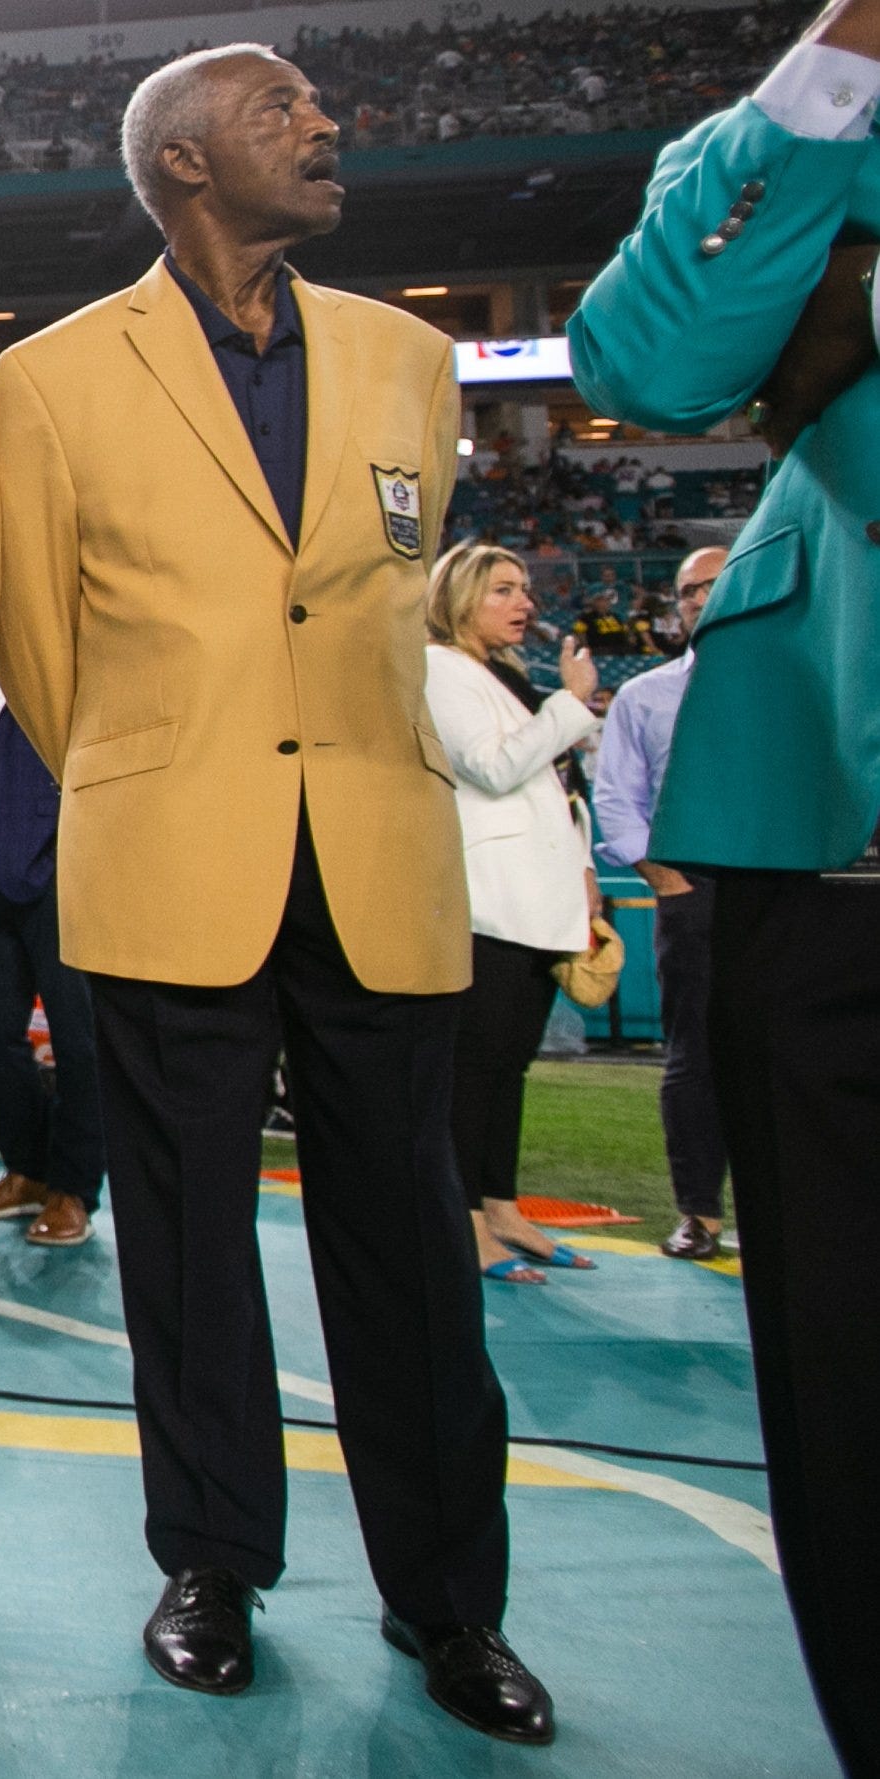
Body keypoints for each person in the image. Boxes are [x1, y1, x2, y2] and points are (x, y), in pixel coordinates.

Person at [0, 45, 549, 1742]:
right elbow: (37, 639)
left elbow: (372, 603)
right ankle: (211, 1559)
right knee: (185, 1246)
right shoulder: (57, 378)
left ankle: (451, 1597)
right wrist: (168, 771)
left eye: (316, 106)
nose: (327, 126)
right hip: (170, 853)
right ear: (179, 164)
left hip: (376, 859)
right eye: (278, 110)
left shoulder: (408, 357)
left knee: (412, 1253)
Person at [569, 4, 880, 1765]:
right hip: (829, 856)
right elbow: (644, 356)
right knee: (845, 1407)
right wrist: (840, 63)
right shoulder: (819, 117)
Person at [421, 544, 604, 1285]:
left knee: (510, 1067)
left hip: (539, 898)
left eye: (524, 589)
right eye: (503, 589)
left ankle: (500, 1207)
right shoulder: (438, 667)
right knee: (475, 1069)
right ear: (459, 597)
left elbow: (553, 783)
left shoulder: (508, 675)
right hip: (489, 900)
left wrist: (586, 869)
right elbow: (492, 766)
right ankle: (464, 1221)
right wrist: (571, 702)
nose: (523, 602)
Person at [589, 547, 732, 1261]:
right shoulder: (643, 695)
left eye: (715, 584)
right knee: (693, 1057)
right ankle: (698, 1213)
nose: (700, 598)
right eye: (687, 590)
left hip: (785, 890)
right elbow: (615, 798)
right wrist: (662, 876)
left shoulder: (798, 684)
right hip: (692, 891)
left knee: (796, 1056)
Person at [0, 656, 106, 1245]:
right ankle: (28, 1170)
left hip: (58, 859)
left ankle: (74, 1188)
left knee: (78, 1036)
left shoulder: (53, 656)